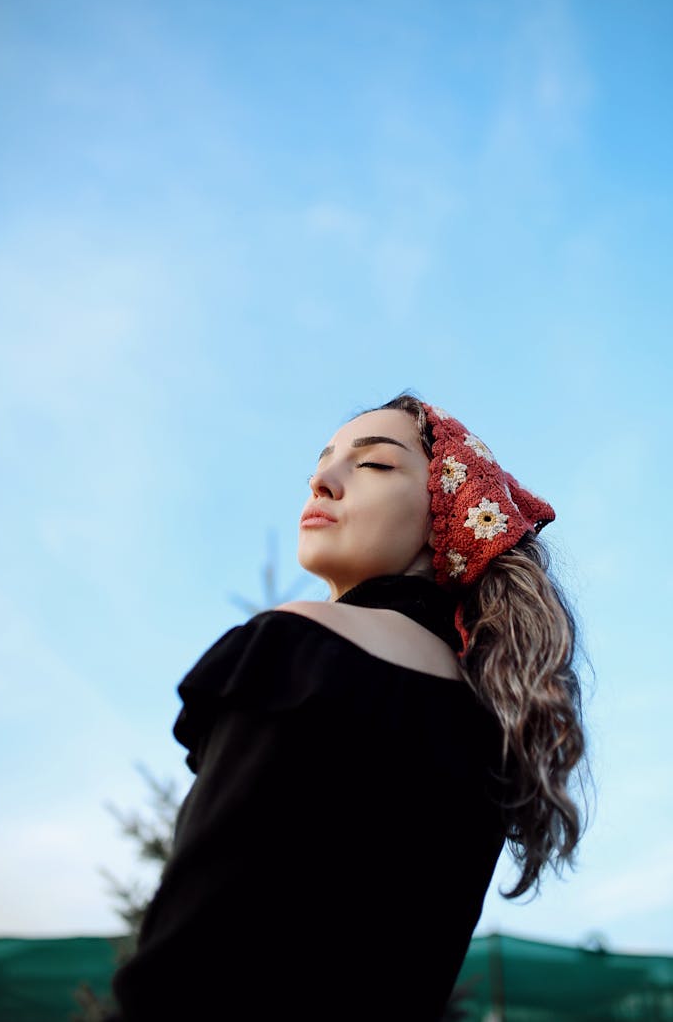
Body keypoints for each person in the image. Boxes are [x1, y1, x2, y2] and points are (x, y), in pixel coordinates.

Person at [107, 393, 587, 1021]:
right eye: (323, 463)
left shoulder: (301, 649)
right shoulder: (495, 720)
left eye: (375, 465)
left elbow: (186, 973)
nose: (321, 481)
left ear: (447, 513)